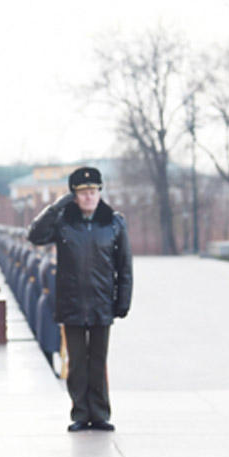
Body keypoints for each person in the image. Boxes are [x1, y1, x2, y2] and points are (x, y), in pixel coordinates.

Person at [27, 166, 133, 432]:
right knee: (76, 362)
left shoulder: (114, 223)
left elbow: (125, 266)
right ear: (74, 195)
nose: (89, 197)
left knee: (97, 361)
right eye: (83, 192)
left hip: (101, 303)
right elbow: (35, 235)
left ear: (100, 193)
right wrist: (57, 206)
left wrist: (123, 301)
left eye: (93, 191)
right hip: (72, 303)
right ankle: (79, 413)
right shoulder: (64, 222)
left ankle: (100, 414)